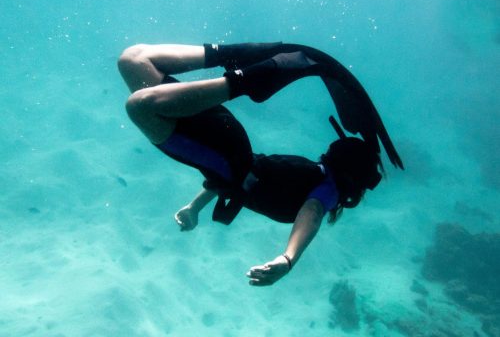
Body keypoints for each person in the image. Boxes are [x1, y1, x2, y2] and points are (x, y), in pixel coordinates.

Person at [117, 42, 403, 286]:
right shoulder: (324, 185)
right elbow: (311, 212)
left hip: (226, 138)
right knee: (140, 106)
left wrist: (195, 207)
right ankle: (250, 79)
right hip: (219, 145)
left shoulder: (324, 182)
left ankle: (230, 58)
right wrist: (288, 259)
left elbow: (236, 181)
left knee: (133, 59)